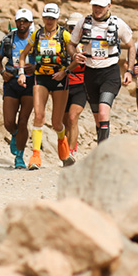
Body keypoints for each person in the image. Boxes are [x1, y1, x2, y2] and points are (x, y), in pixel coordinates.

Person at [69, 0, 133, 144]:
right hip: (90, 74)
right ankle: (102, 148)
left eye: (101, 6)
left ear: (109, 6)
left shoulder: (118, 23)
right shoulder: (83, 23)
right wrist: (74, 56)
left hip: (110, 73)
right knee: (98, 118)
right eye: (95, 5)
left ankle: (102, 153)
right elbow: (71, 44)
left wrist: (129, 70)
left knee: (104, 113)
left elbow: (131, 46)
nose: (97, 9)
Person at [16, 3, 73, 169]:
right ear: (42, 17)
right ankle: (35, 156)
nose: (49, 21)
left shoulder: (65, 35)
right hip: (40, 78)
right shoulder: (36, 35)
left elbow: (76, 55)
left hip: (59, 79)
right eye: (47, 17)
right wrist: (21, 72)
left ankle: (63, 149)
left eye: (52, 18)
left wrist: (66, 71)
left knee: (57, 122)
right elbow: (23, 54)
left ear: (58, 18)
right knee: (39, 116)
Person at [0, 8, 35, 169]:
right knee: (9, 122)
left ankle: (19, 157)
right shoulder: (8, 39)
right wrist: (2, 72)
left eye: (25, 21)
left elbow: (44, 59)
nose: (22, 24)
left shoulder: (36, 39)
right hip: (11, 82)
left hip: (30, 83)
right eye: (19, 20)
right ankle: (15, 134)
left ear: (30, 23)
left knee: (23, 121)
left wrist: (36, 67)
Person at [62, 12, 87, 165]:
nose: (73, 30)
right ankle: (66, 150)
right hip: (64, 85)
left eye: (75, 27)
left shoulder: (86, 43)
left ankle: (71, 153)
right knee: (64, 122)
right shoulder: (62, 41)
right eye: (71, 27)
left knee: (73, 118)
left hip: (81, 84)